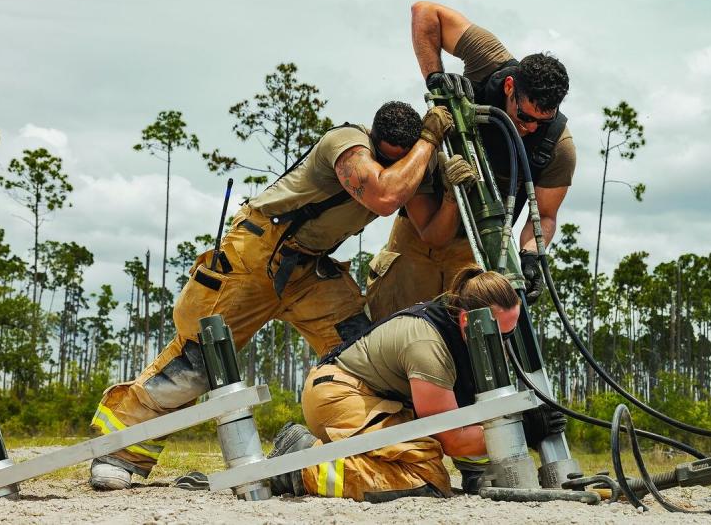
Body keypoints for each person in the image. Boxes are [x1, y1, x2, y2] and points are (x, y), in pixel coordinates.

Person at [88, 101, 467, 490]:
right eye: (388, 159)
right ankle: (119, 452)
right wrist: (428, 141)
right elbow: (384, 197)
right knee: (199, 362)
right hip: (256, 256)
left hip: (308, 270)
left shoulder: (413, 166)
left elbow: (432, 235)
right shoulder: (347, 143)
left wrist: (452, 195)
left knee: (360, 352)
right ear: (374, 141)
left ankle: (355, 451)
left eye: (401, 162)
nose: (395, 168)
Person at [268, 266, 562, 502]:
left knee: (418, 457)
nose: (505, 343)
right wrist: (523, 430)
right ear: (466, 321)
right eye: (500, 334)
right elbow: (453, 439)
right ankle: (302, 465)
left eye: (511, 332)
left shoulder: (462, 338)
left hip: (368, 397)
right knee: (425, 476)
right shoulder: (429, 346)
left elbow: (466, 413)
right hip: (339, 395)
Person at [366, 1, 577, 323]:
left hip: (476, 250)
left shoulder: (557, 146)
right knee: (387, 328)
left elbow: (545, 216)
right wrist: (435, 77)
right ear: (509, 87)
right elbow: (425, 12)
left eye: (541, 121)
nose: (530, 127)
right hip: (416, 230)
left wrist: (532, 255)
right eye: (524, 116)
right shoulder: (489, 61)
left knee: (465, 346)